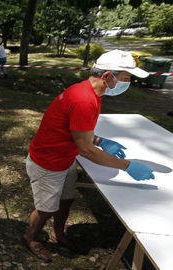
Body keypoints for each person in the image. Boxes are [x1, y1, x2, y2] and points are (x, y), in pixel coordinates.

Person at [22, 50, 155, 263]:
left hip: (65, 158)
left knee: (66, 200)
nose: (129, 83)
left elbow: (77, 131)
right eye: (127, 78)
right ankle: (30, 238)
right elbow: (85, 149)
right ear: (107, 76)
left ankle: (60, 234)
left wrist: (101, 141)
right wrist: (127, 166)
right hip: (48, 162)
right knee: (47, 208)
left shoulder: (90, 93)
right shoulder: (85, 99)